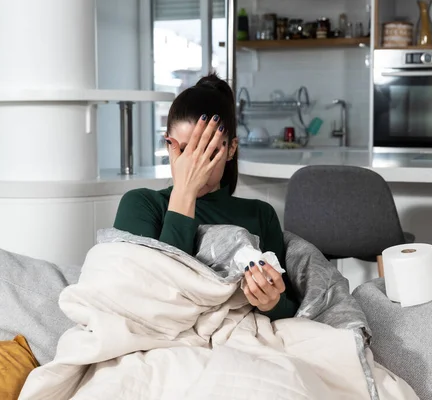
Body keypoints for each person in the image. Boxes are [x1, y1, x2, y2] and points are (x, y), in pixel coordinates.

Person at [113, 73, 298, 321]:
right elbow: (157, 297)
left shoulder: (260, 214)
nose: (196, 164)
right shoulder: (141, 205)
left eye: (208, 152)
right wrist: (184, 193)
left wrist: (271, 302)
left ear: (231, 149)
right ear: (169, 146)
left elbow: (289, 311)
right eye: (186, 150)